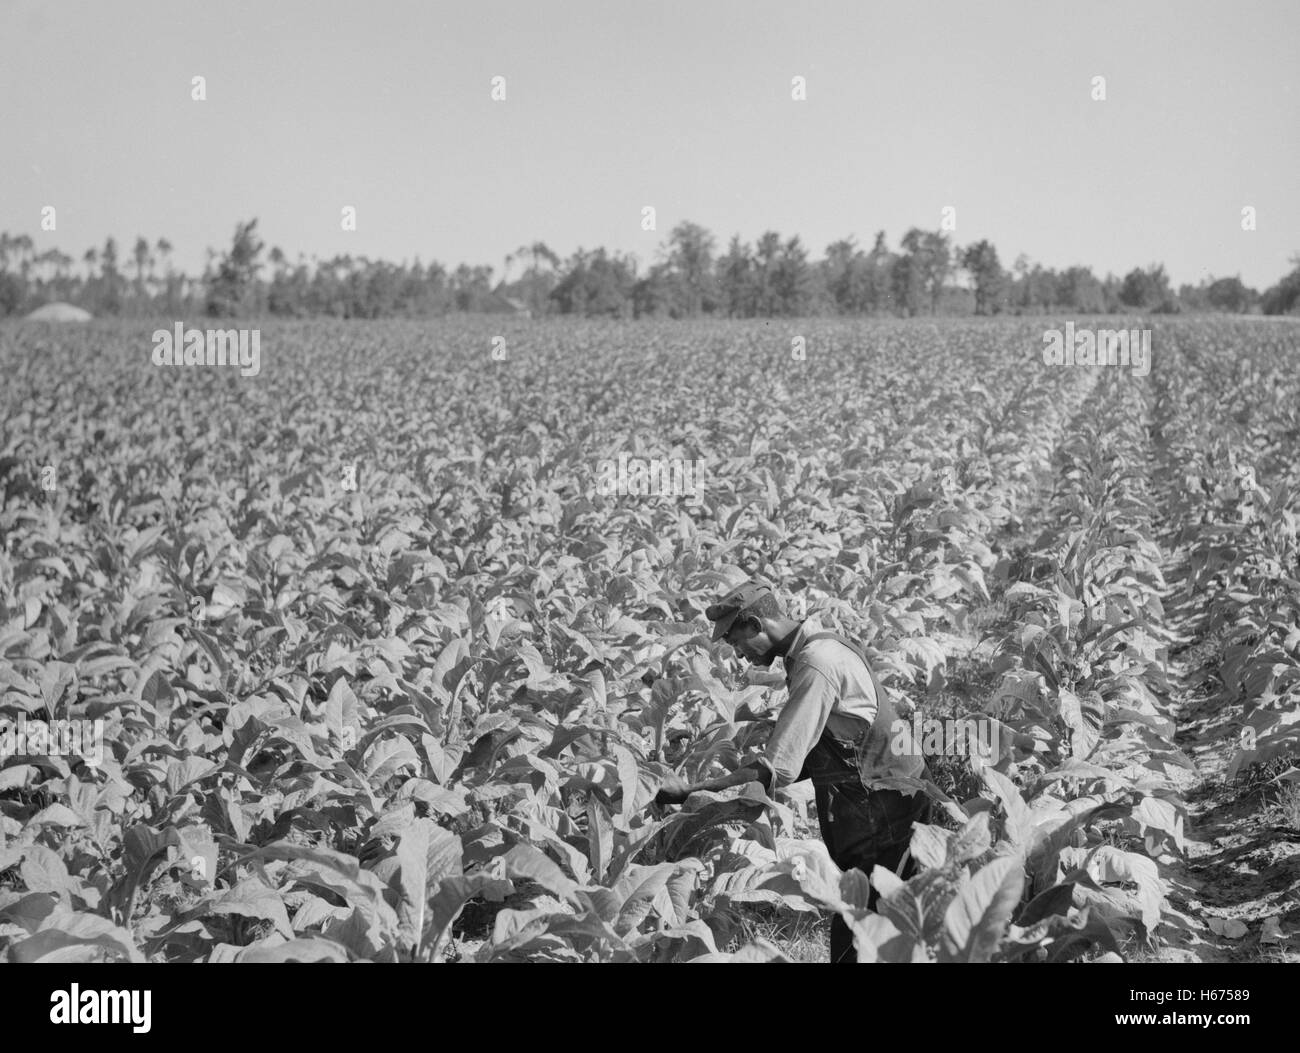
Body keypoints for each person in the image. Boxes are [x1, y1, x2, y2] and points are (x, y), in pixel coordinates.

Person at [653, 580, 932, 963]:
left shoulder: (817, 664)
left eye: (736, 642)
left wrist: (690, 792)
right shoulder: (815, 647)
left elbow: (777, 769)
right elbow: (814, 750)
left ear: (755, 624)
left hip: (889, 811)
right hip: (880, 807)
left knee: (862, 932)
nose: (738, 654)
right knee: (880, 929)